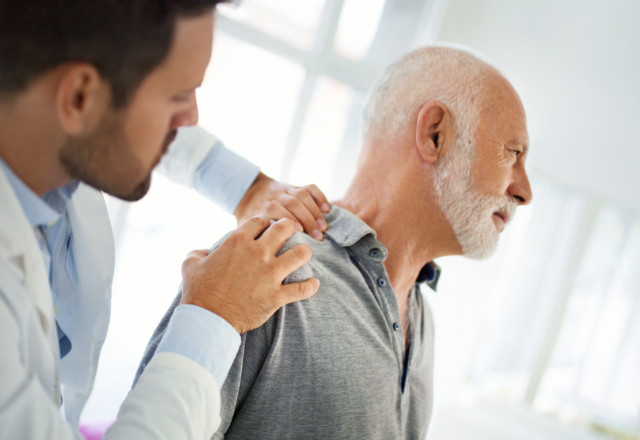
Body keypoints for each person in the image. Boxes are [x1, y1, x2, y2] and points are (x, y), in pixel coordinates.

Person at [136, 45, 533, 439]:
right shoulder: (267, 268)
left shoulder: (420, 317)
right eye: (512, 153)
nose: (524, 191)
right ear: (435, 135)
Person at [0, 1, 330, 439]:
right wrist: (215, 316)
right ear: (80, 97)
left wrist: (244, 186)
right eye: (178, 96)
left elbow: (123, 114)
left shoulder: (48, 133)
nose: (191, 118)